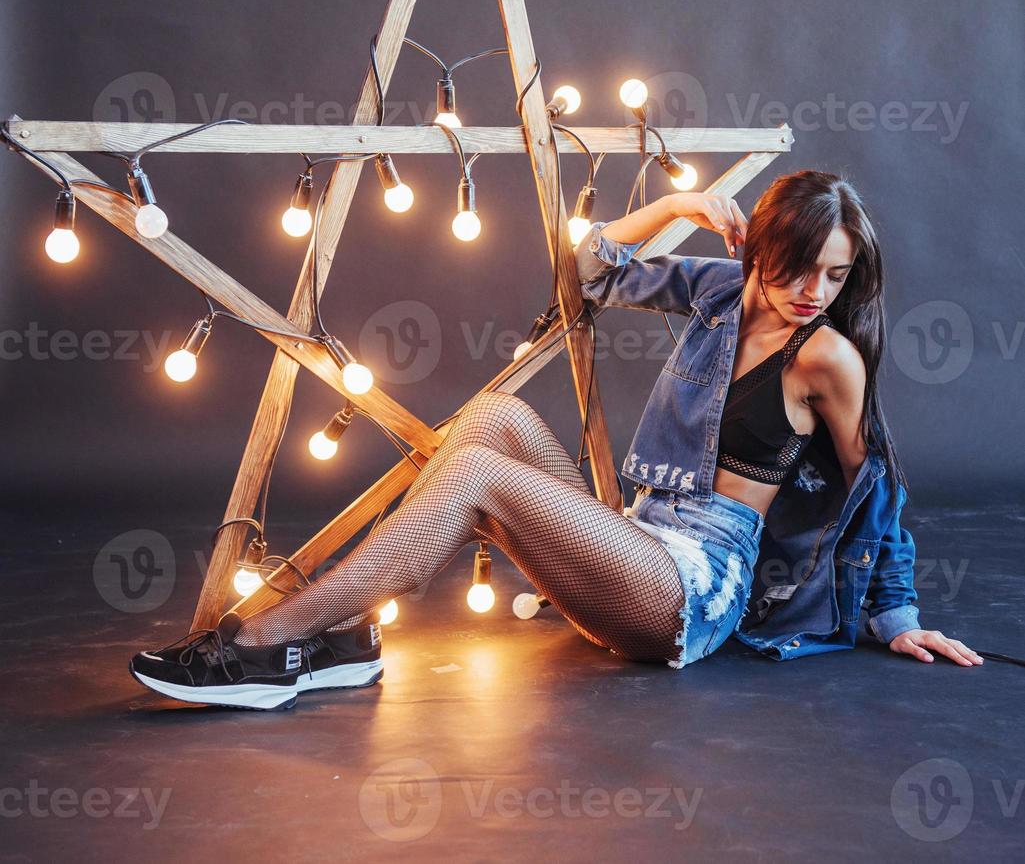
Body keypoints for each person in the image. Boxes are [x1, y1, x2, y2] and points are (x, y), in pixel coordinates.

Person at [130, 169, 982, 711]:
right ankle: (343, 641)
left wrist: (895, 612)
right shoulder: (725, 290)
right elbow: (597, 268)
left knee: (471, 472)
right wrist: (681, 203)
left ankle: (267, 645)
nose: (812, 292)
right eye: (796, 267)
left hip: (695, 587)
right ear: (757, 249)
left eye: (835, 275)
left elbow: (878, 483)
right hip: (639, 538)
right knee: (492, 419)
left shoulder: (826, 354)